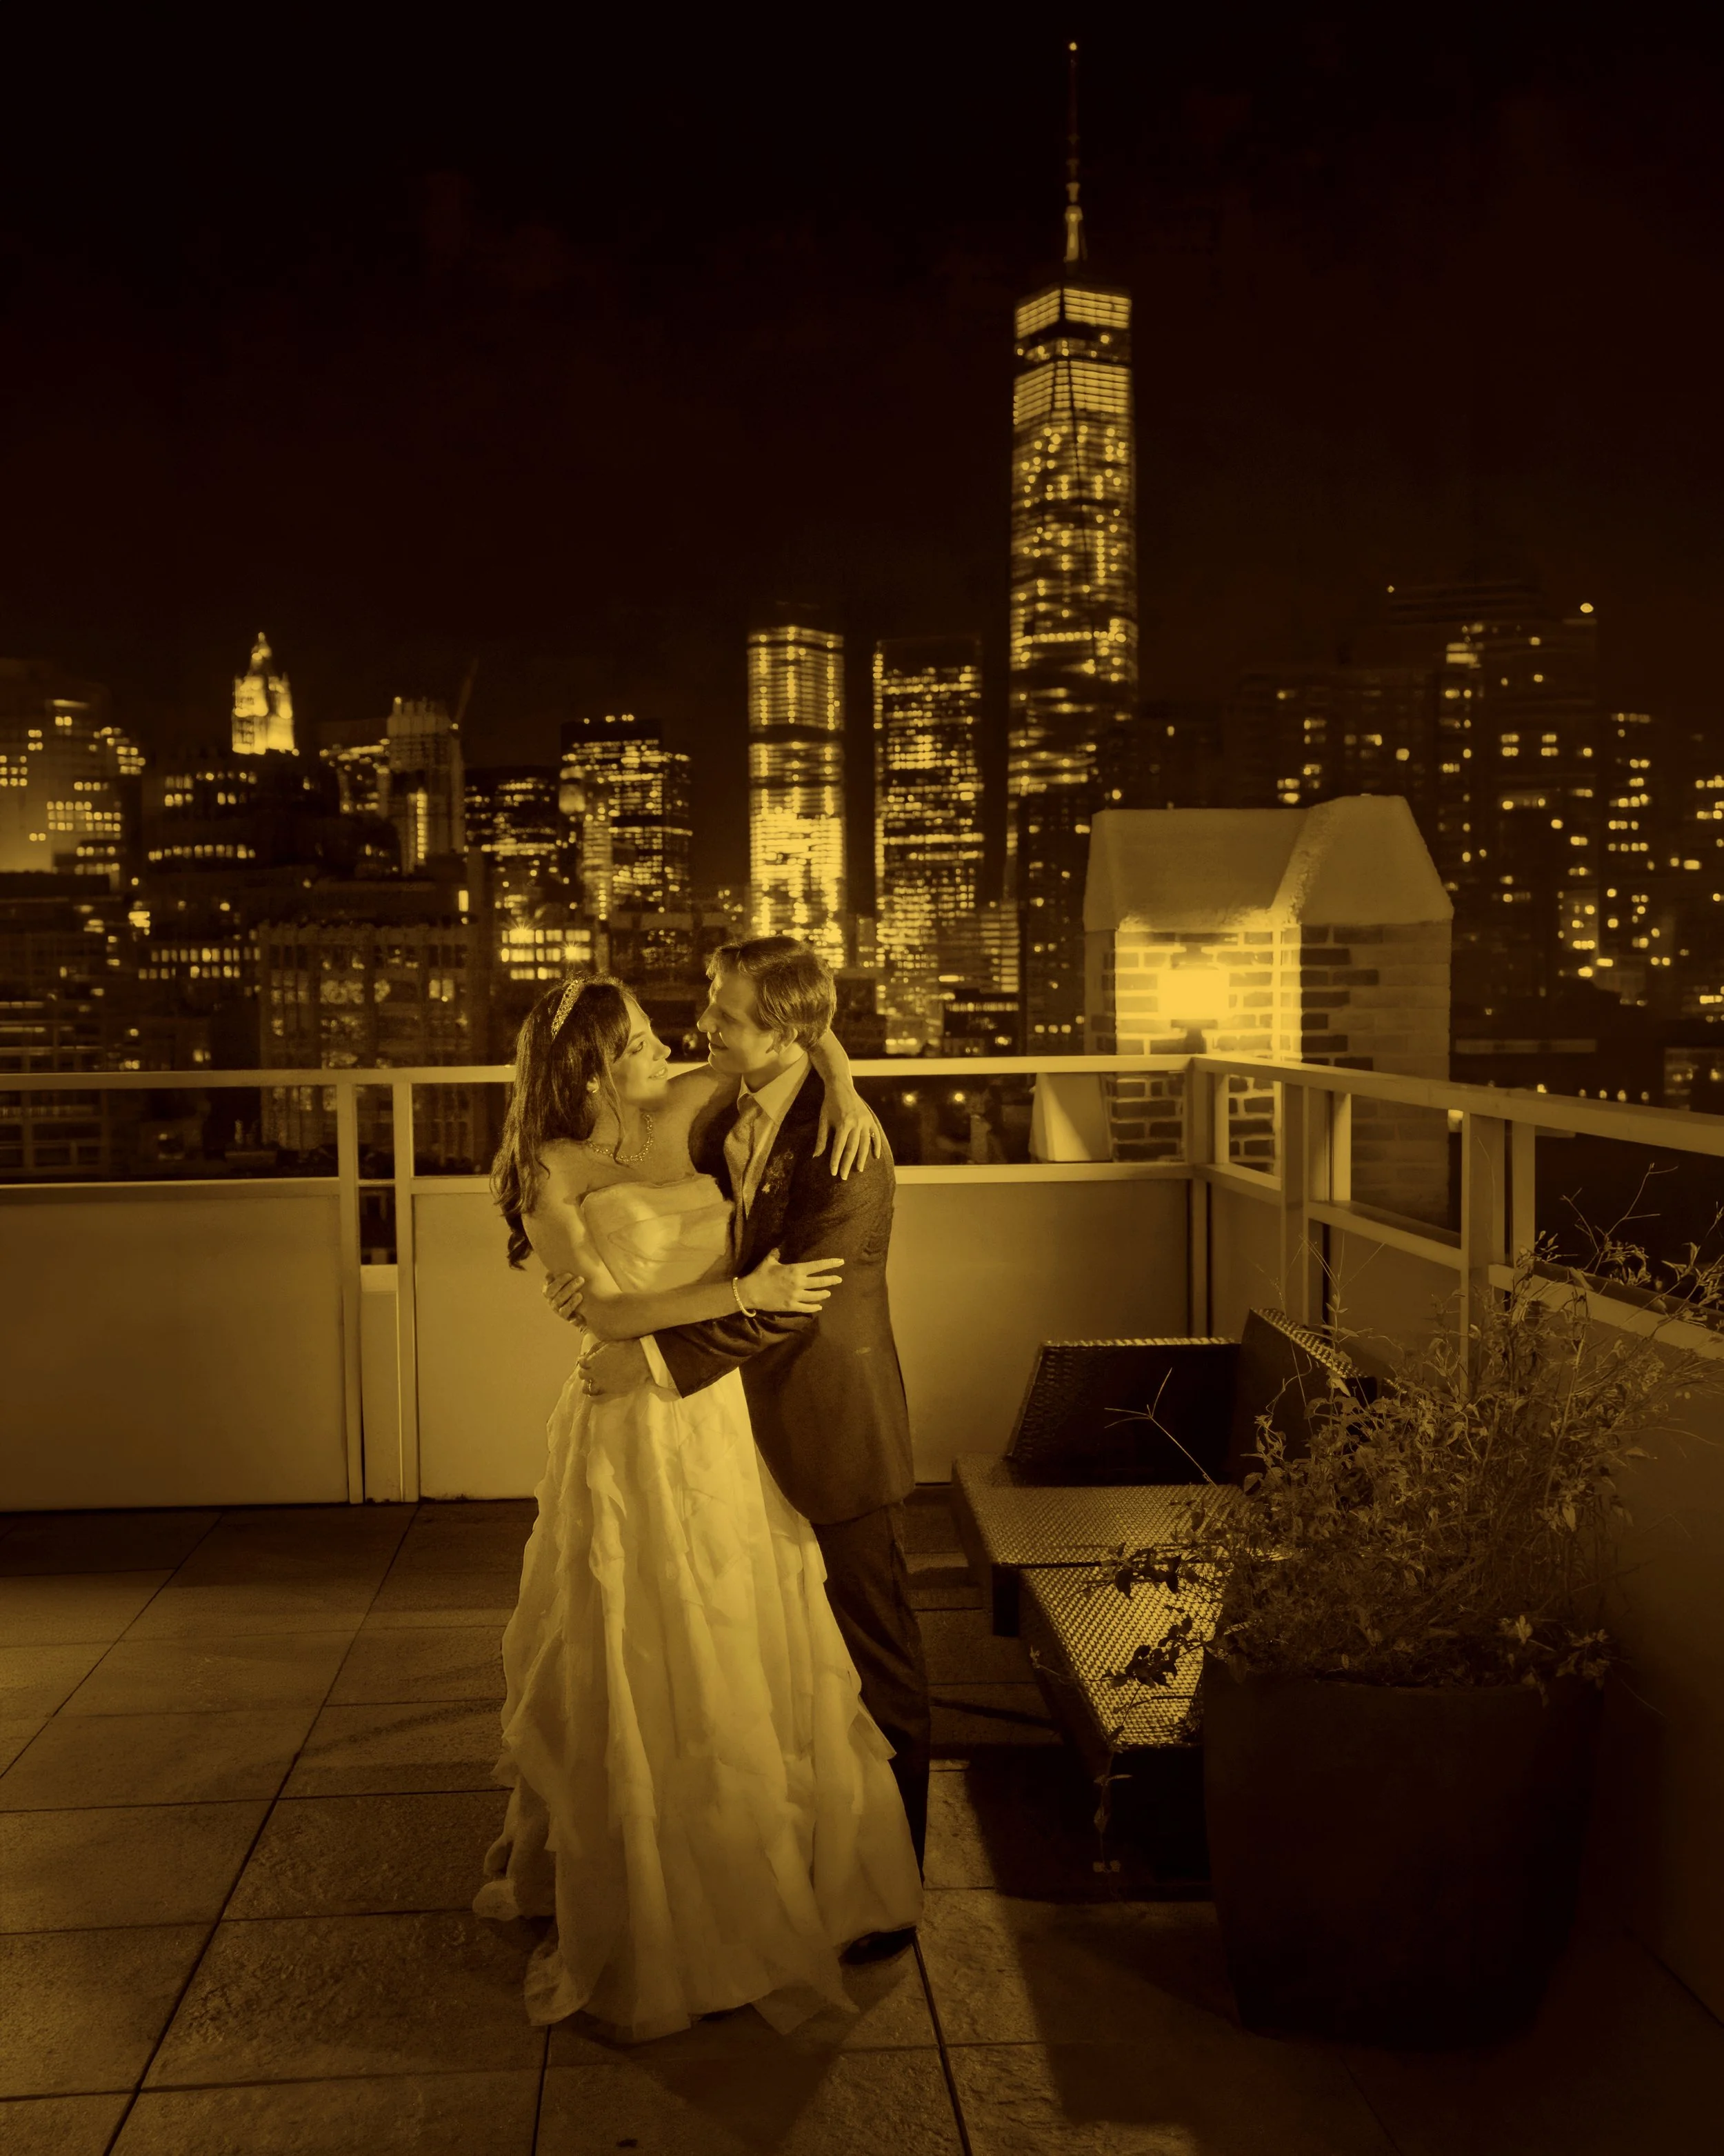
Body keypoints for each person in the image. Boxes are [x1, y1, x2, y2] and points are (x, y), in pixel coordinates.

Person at [473, 971, 922, 2040]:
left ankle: (787, 1862)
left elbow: (801, 1042)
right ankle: (657, 1881)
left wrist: (846, 1083)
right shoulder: (550, 1168)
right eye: (634, 1042)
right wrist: (740, 1293)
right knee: (641, 1634)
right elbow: (606, 1310)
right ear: (588, 1068)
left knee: (749, 1627)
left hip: (719, 1410)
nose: (666, 1047)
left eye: (654, 1034)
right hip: (629, 1422)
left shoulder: (688, 1101)